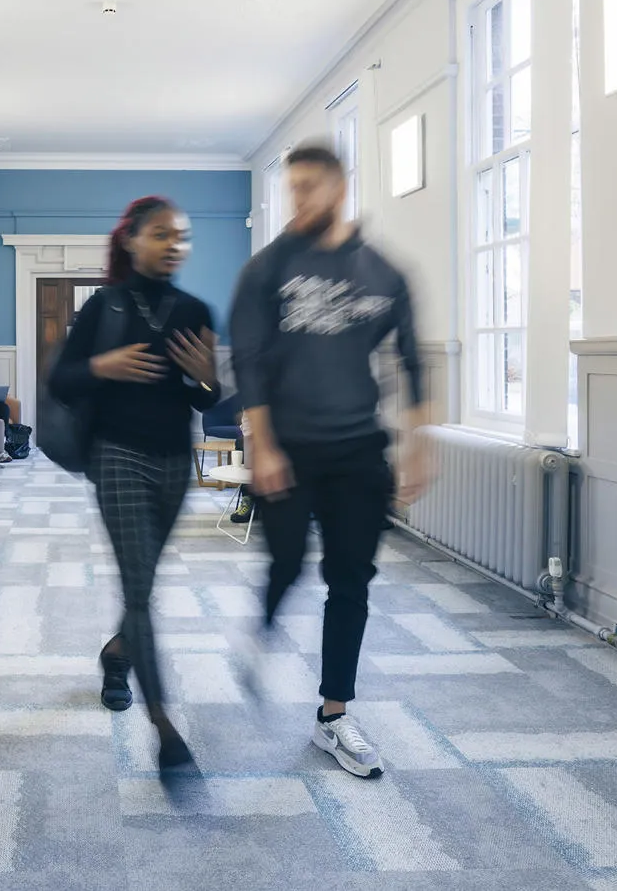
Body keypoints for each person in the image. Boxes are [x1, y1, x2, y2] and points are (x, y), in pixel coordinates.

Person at [230, 141, 431, 779]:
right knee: (287, 564)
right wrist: (262, 447)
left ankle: (333, 716)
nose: (298, 200)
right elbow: (250, 362)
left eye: (309, 187)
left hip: (358, 453)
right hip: (286, 450)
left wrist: (418, 443)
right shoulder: (267, 268)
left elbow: (413, 360)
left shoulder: (383, 270)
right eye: (292, 189)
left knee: (351, 583)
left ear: (340, 187)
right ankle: (259, 632)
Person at [50, 196, 220, 775]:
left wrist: (207, 381)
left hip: (176, 460)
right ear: (132, 240)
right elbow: (62, 380)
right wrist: (104, 366)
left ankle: (117, 654)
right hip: (116, 456)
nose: (175, 244)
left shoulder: (196, 308)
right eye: (162, 234)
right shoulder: (105, 306)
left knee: (143, 578)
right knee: (141, 589)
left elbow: (206, 397)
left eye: (183, 236)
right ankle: (163, 727)